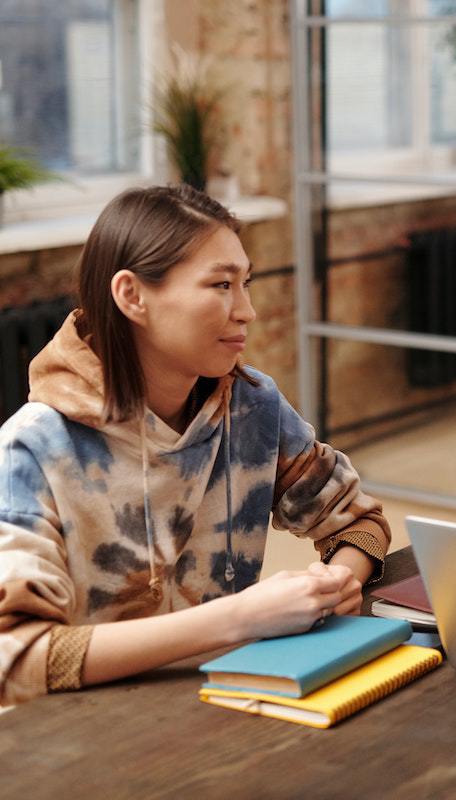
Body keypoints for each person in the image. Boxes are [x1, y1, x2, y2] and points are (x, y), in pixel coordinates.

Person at [0, 185, 389, 706]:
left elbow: (360, 522)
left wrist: (339, 581)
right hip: (84, 729)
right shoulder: (33, 449)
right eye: (222, 284)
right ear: (132, 296)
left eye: (245, 283)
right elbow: (17, 656)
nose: (247, 310)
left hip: (228, 696)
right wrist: (241, 617)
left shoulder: (253, 406)